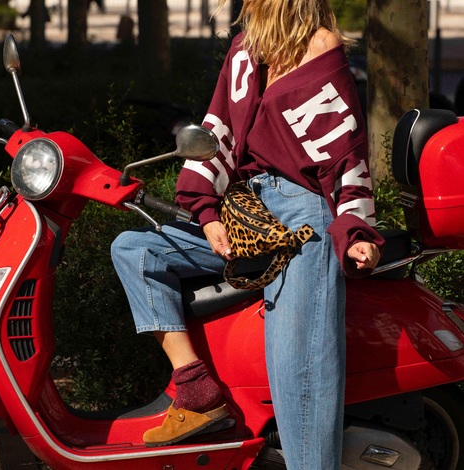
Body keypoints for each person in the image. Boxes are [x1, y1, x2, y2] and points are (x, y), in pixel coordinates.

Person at [111, 0, 385, 467]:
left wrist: (355, 229)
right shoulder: (245, 49)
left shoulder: (322, 48)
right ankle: (196, 391)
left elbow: (345, 153)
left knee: (298, 377)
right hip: (244, 213)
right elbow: (216, 131)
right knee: (136, 250)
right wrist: (207, 213)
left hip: (303, 219)